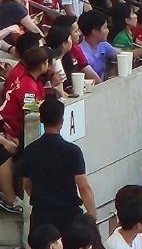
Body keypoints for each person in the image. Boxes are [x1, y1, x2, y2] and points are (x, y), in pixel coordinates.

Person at [19, 98, 94, 236]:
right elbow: (84, 187)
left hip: (41, 217)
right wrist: (92, 216)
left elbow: (27, 185)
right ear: (62, 120)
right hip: (68, 217)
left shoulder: (30, 151)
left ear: (41, 119)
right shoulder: (72, 151)